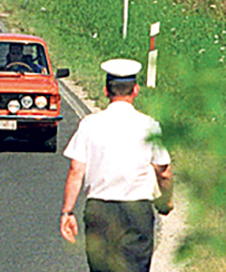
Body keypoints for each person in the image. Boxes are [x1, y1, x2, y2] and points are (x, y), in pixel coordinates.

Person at [60, 58, 174, 272]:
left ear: (106, 91)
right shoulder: (149, 125)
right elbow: (164, 171)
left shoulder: (89, 124)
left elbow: (76, 170)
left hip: (99, 210)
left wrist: (68, 211)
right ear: (135, 90)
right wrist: (165, 201)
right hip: (136, 211)